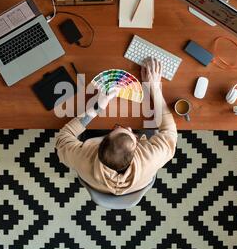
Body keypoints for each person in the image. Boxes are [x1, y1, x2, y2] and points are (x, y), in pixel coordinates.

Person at [55, 58, 177, 195]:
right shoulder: (151, 159)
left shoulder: (82, 159)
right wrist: (154, 86)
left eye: (122, 130)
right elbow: (170, 131)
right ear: (137, 150)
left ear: (100, 142)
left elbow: (62, 138)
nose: (129, 128)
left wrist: (97, 108)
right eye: (132, 134)